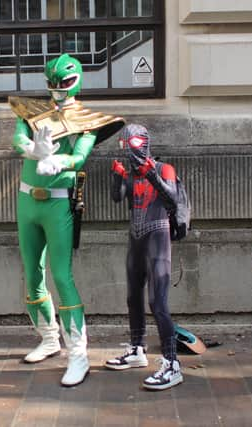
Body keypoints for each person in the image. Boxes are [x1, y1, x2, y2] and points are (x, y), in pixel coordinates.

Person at [9, 53, 124, 387]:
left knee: (61, 275)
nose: (58, 90)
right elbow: (18, 139)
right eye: (52, 83)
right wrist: (34, 150)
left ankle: (78, 355)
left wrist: (57, 161)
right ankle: (48, 338)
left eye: (64, 83)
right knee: (32, 274)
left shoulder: (87, 118)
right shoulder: (31, 113)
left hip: (58, 204)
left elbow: (79, 155)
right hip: (27, 200)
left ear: (76, 80)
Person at [104, 123, 183, 391]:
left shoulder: (164, 169)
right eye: (126, 145)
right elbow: (117, 197)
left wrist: (152, 175)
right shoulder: (131, 174)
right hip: (135, 239)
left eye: (135, 144)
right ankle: (137, 349)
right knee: (132, 297)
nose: (130, 150)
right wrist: (117, 177)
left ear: (145, 143)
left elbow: (172, 200)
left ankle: (172, 364)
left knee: (157, 302)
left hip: (157, 237)